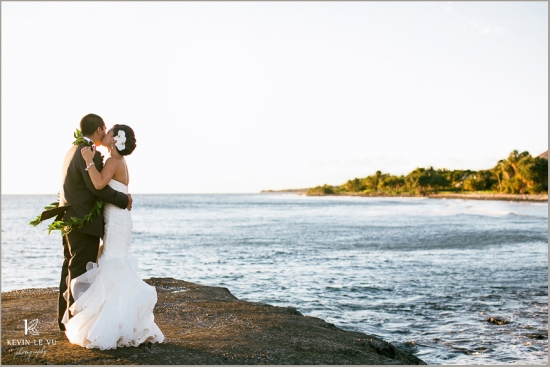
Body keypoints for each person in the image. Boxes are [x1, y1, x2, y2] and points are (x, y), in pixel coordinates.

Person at [62, 124, 164, 350]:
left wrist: (89, 160)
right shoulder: (121, 163)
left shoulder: (112, 162)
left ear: (116, 140)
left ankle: (114, 325)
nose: (105, 135)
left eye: (109, 133)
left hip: (117, 220)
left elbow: (98, 184)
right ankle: (120, 321)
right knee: (113, 262)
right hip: (119, 219)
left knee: (113, 264)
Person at [57, 114, 132, 332]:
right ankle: (76, 323)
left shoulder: (73, 150)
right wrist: (123, 199)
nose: (107, 133)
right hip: (83, 224)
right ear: (99, 130)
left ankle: (66, 319)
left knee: (71, 269)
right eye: (105, 129)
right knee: (81, 273)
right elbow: (96, 187)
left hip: (71, 219)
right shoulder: (87, 154)